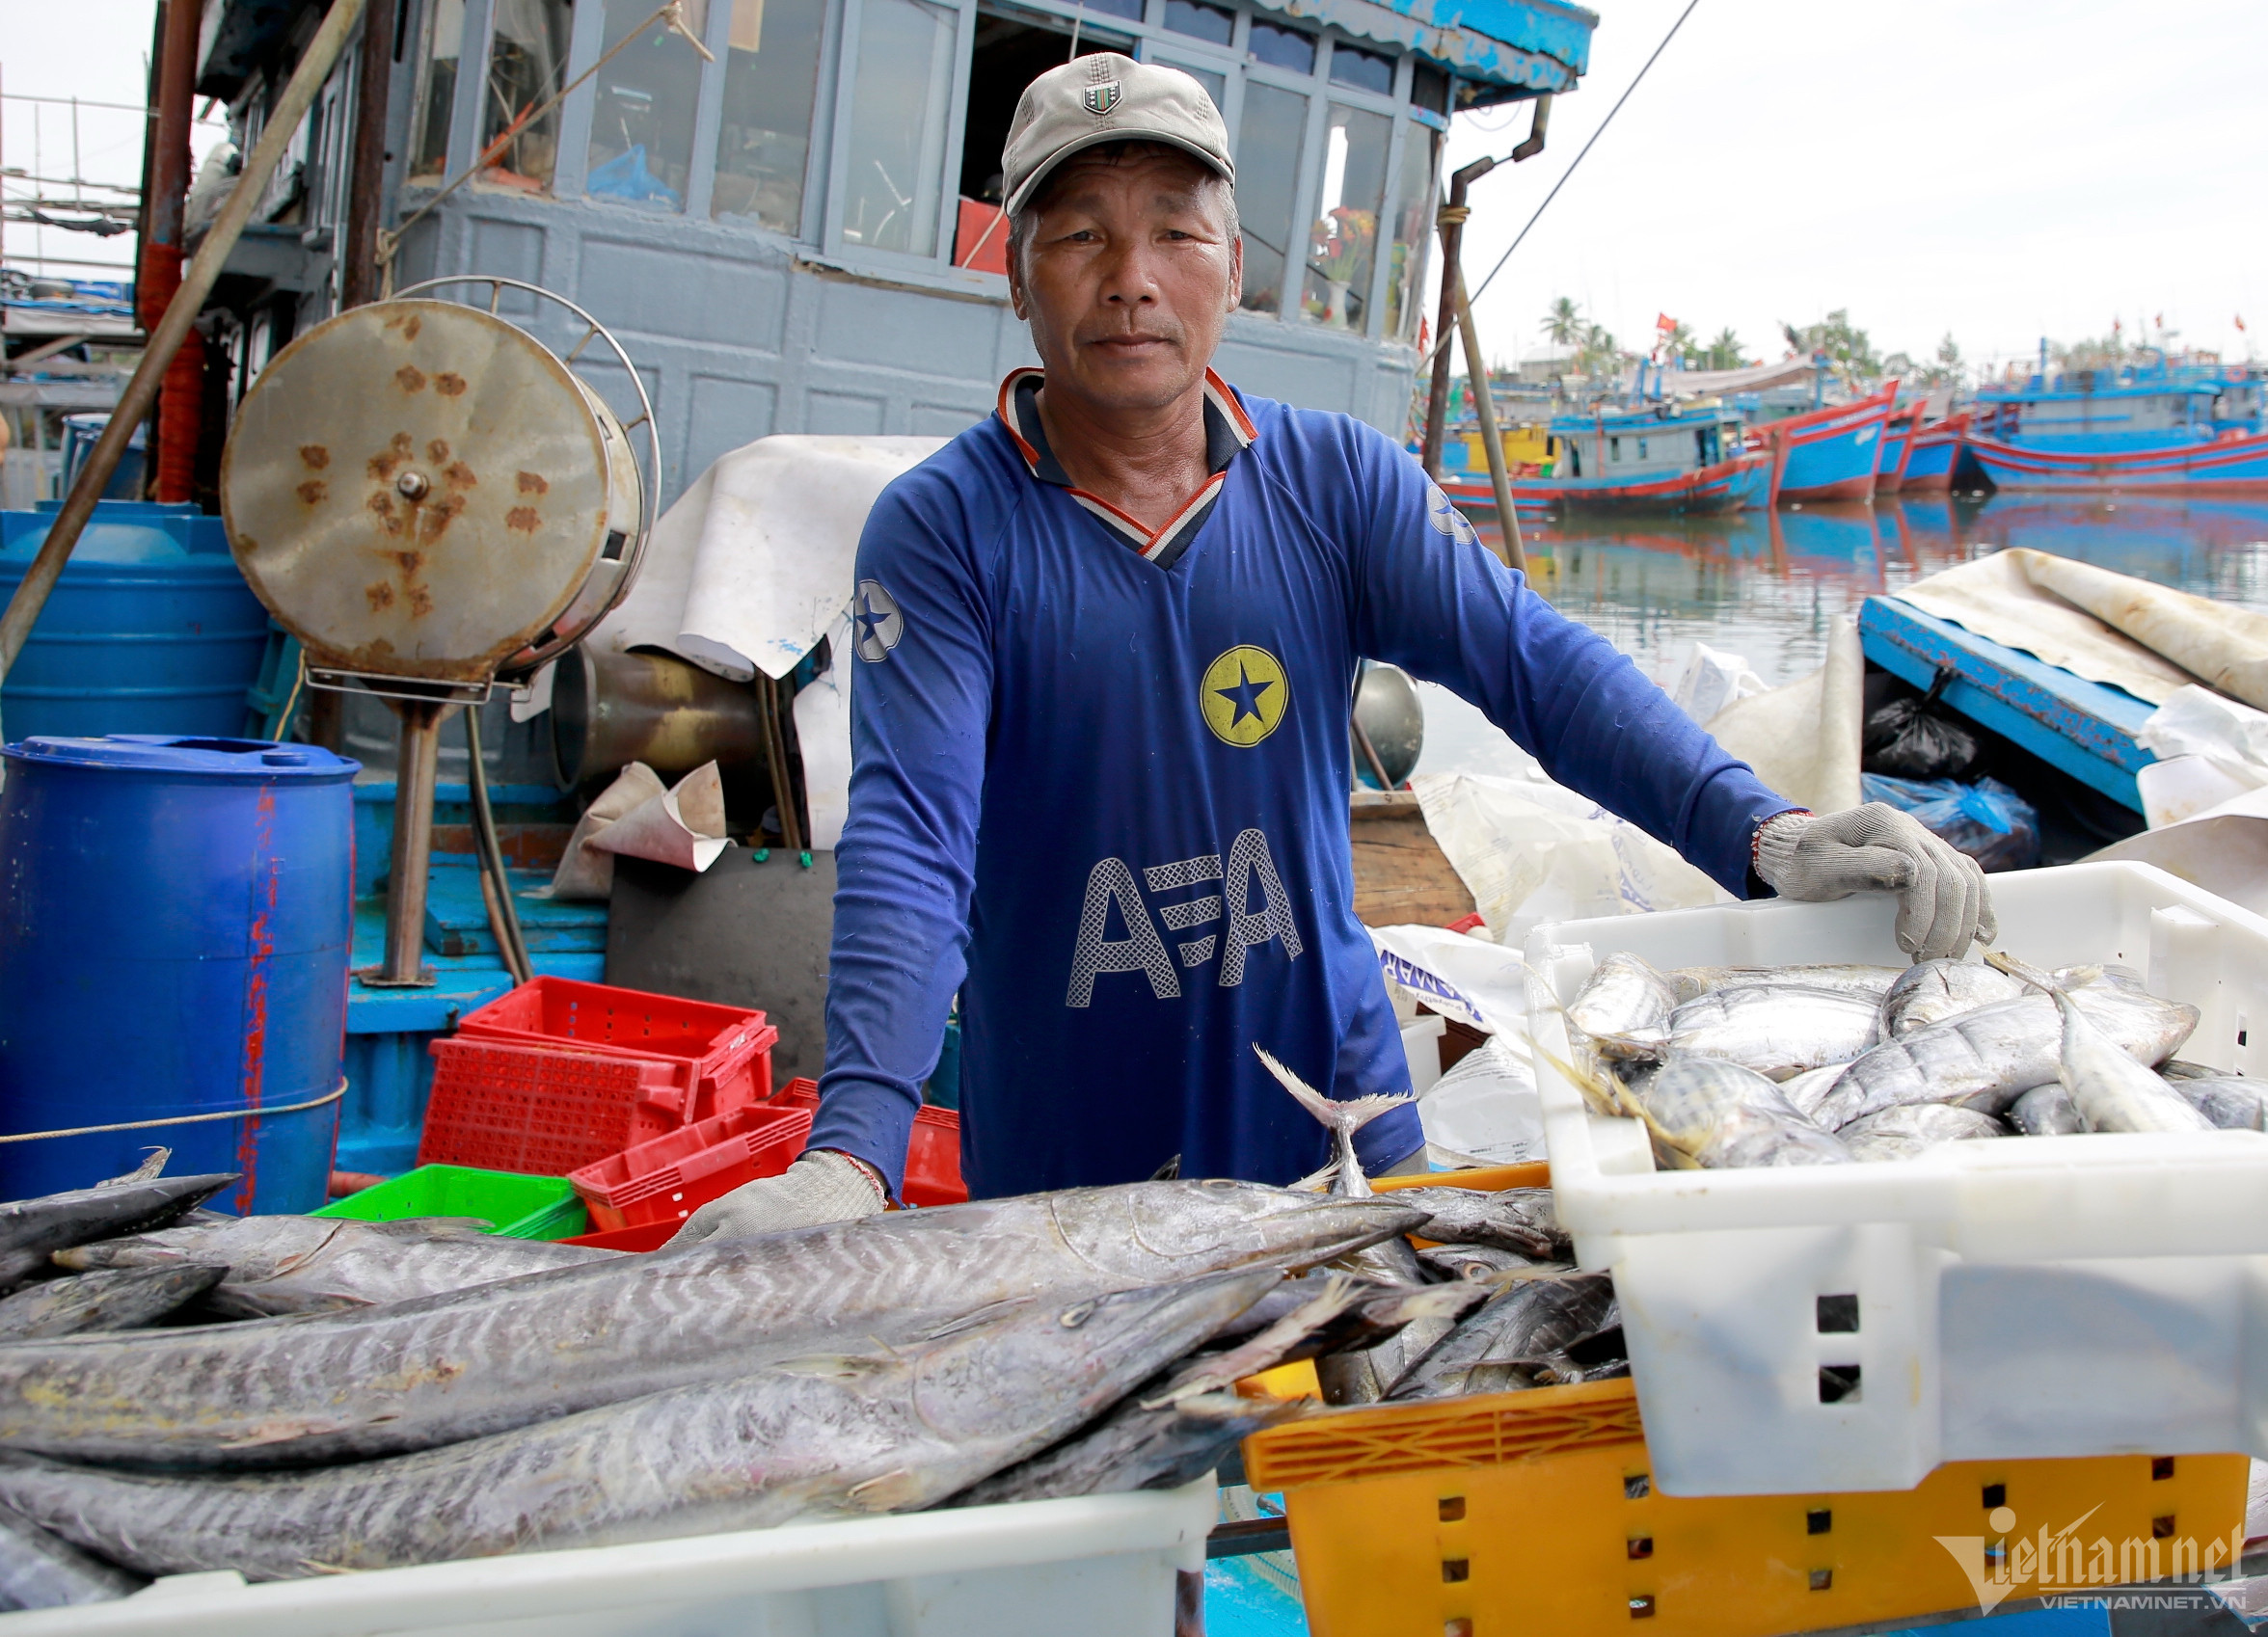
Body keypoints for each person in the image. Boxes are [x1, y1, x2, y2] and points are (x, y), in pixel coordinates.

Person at [672, 55, 1991, 1243]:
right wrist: (854, 1152)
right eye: (1078, 236)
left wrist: (1761, 834)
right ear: (1015, 272)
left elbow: (1536, 665)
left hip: (1346, 1127)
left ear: (1232, 269)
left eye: (1175, 234)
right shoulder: (945, 529)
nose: (1131, 276)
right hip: (1071, 1179)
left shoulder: (1334, 482)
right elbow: (913, 834)